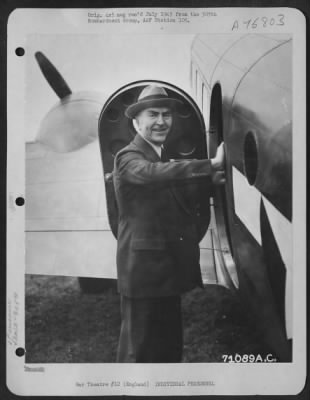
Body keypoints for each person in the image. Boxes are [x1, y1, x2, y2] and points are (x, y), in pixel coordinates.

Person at [113, 85, 225, 363]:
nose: (161, 121)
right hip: (143, 274)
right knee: (137, 354)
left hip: (164, 273)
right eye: (153, 114)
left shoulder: (158, 156)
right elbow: (152, 175)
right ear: (136, 122)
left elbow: (172, 193)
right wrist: (211, 164)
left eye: (166, 114)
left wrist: (208, 183)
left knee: (167, 351)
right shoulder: (128, 157)